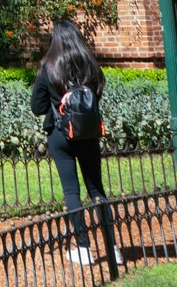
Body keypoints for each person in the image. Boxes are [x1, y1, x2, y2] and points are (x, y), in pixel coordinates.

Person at [30, 20, 120, 266]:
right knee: (97, 190)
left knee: (72, 191)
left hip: (61, 134)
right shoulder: (89, 64)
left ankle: (83, 248)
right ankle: (113, 248)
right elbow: (98, 92)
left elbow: (37, 107)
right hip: (88, 132)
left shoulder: (48, 65)